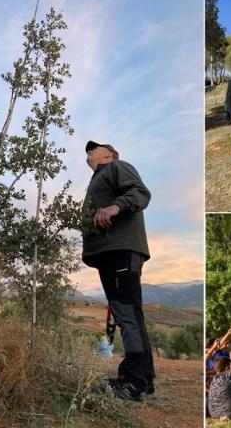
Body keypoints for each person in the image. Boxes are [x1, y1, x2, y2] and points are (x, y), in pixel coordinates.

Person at [82, 141, 155, 401]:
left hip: (120, 250)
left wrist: (114, 207)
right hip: (112, 253)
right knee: (130, 313)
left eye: (95, 148)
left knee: (126, 313)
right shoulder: (99, 178)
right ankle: (144, 380)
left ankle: (131, 382)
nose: (88, 150)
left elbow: (139, 192)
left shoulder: (116, 167)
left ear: (109, 154)